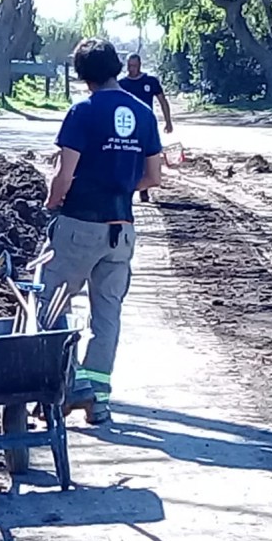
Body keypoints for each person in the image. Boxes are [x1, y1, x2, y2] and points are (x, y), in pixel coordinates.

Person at [41, 38, 162, 425]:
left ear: (81, 75)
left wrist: (53, 202)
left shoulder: (82, 112)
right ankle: (98, 398)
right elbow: (154, 177)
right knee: (107, 314)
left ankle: (64, 387)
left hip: (79, 224)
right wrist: (122, 188)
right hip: (121, 229)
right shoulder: (143, 113)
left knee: (52, 303)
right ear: (115, 68)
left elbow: (66, 173)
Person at [119, 53, 172, 202]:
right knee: (128, 157)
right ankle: (126, 190)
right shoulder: (122, 84)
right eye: (129, 66)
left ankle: (144, 189)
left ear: (140, 65)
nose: (131, 69)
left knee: (146, 157)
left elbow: (162, 100)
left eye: (134, 66)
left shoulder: (150, 81)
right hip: (127, 127)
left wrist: (168, 121)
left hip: (145, 126)